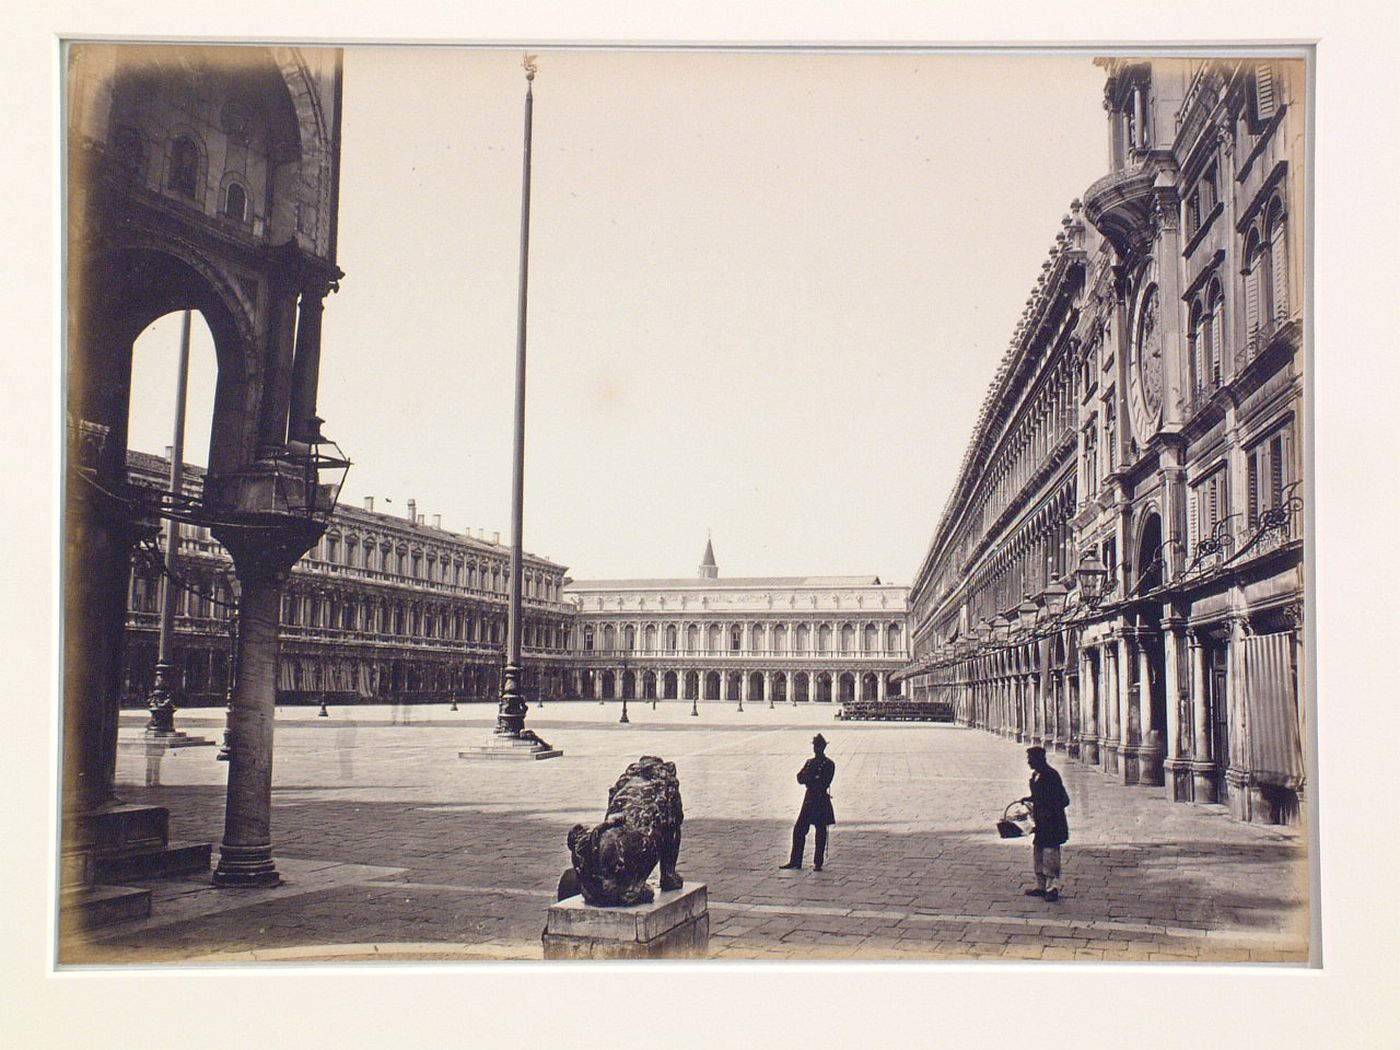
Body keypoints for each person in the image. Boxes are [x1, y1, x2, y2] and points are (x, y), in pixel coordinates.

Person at [779, 733, 836, 872]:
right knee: (799, 830)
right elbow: (799, 778)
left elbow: (824, 782)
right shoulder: (810, 762)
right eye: (815, 747)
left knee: (820, 831)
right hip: (810, 800)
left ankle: (818, 862)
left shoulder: (828, 764)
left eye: (818, 747)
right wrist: (812, 778)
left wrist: (810, 779)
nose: (816, 749)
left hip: (820, 800)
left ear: (822, 748)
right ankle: (795, 860)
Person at [1022, 745, 1071, 902]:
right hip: (1041, 822)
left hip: (1052, 822)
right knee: (1039, 852)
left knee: (1050, 854)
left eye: (1031, 759)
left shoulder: (1051, 775)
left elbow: (1061, 799)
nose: (1028, 762)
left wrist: (1048, 812)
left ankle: (1052, 888)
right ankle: (1040, 886)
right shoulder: (1036, 775)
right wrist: (1029, 799)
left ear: (1039, 759)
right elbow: (1039, 795)